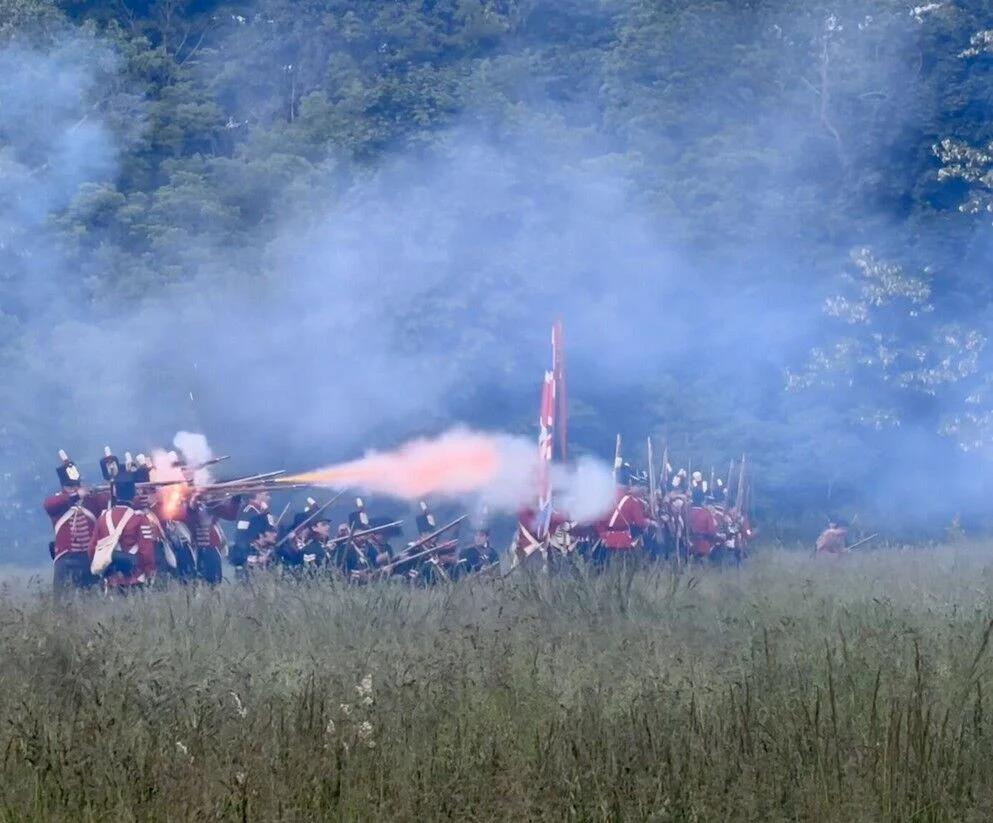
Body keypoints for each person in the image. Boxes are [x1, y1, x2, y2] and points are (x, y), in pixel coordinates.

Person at [43, 450, 110, 597]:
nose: (74, 488)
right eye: (70, 486)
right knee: (62, 601)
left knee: (94, 599)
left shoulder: (92, 500)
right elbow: (48, 505)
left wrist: (109, 483)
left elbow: (109, 500)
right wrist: (75, 496)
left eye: (76, 485)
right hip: (66, 559)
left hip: (89, 558)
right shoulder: (58, 502)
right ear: (63, 487)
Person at [88, 473, 158, 591]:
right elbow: (146, 551)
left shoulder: (103, 518)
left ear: (115, 492)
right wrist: (150, 572)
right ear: (133, 494)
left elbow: (91, 549)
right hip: (134, 579)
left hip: (110, 581)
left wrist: (104, 570)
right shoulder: (139, 518)